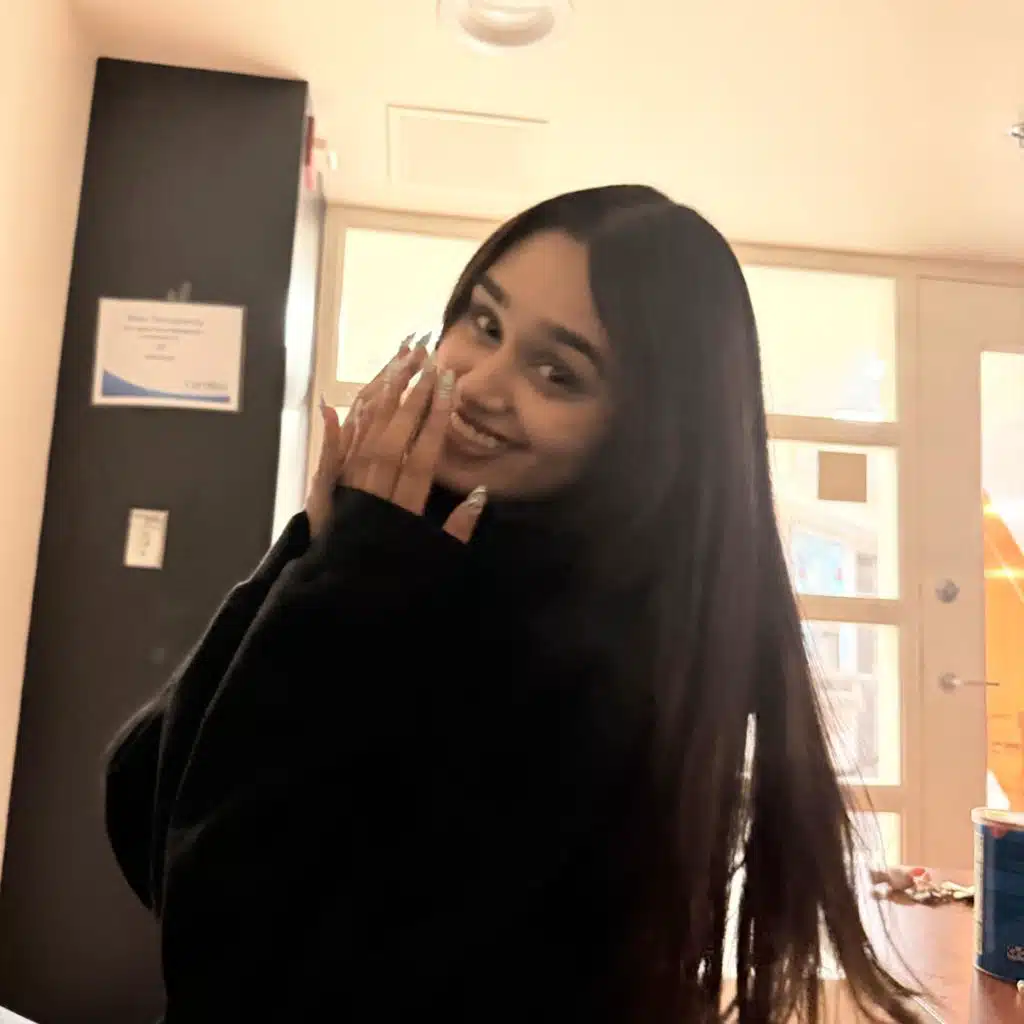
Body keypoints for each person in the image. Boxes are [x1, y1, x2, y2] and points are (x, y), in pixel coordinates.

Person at [105, 186, 919, 1023]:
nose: (478, 383)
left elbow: (228, 953)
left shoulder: (590, 664)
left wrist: (346, 584)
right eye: (485, 323)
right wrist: (313, 552)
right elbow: (144, 803)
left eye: (557, 373)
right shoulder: (426, 556)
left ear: (646, 431)